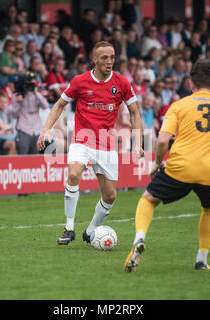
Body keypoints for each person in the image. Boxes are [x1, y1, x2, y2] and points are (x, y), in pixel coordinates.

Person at [124, 59, 210, 272]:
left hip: (180, 167)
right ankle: (201, 259)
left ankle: (139, 238)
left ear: (191, 84)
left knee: (149, 199)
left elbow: (163, 140)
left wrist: (157, 163)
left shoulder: (179, 106)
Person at [37, 41, 144, 245]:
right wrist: (46, 130)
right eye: (104, 57)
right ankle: (69, 228)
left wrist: (138, 141)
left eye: (112, 57)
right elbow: (59, 105)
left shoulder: (121, 83)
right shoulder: (80, 81)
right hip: (82, 140)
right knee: (74, 174)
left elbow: (134, 112)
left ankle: (91, 230)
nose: (109, 61)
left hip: (106, 144)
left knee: (110, 196)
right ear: (94, 59)